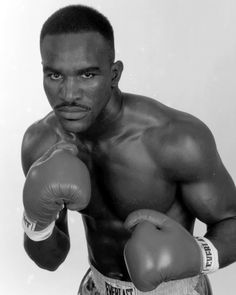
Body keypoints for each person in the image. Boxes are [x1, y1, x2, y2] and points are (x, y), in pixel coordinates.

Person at [21, 5, 236, 295]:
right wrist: (37, 223)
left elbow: (231, 222)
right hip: (97, 287)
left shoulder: (175, 139)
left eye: (87, 75)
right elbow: (50, 259)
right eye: (55, 76)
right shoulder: (41, 143)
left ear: (114, 75)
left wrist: (197, 256)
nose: (69, 94)